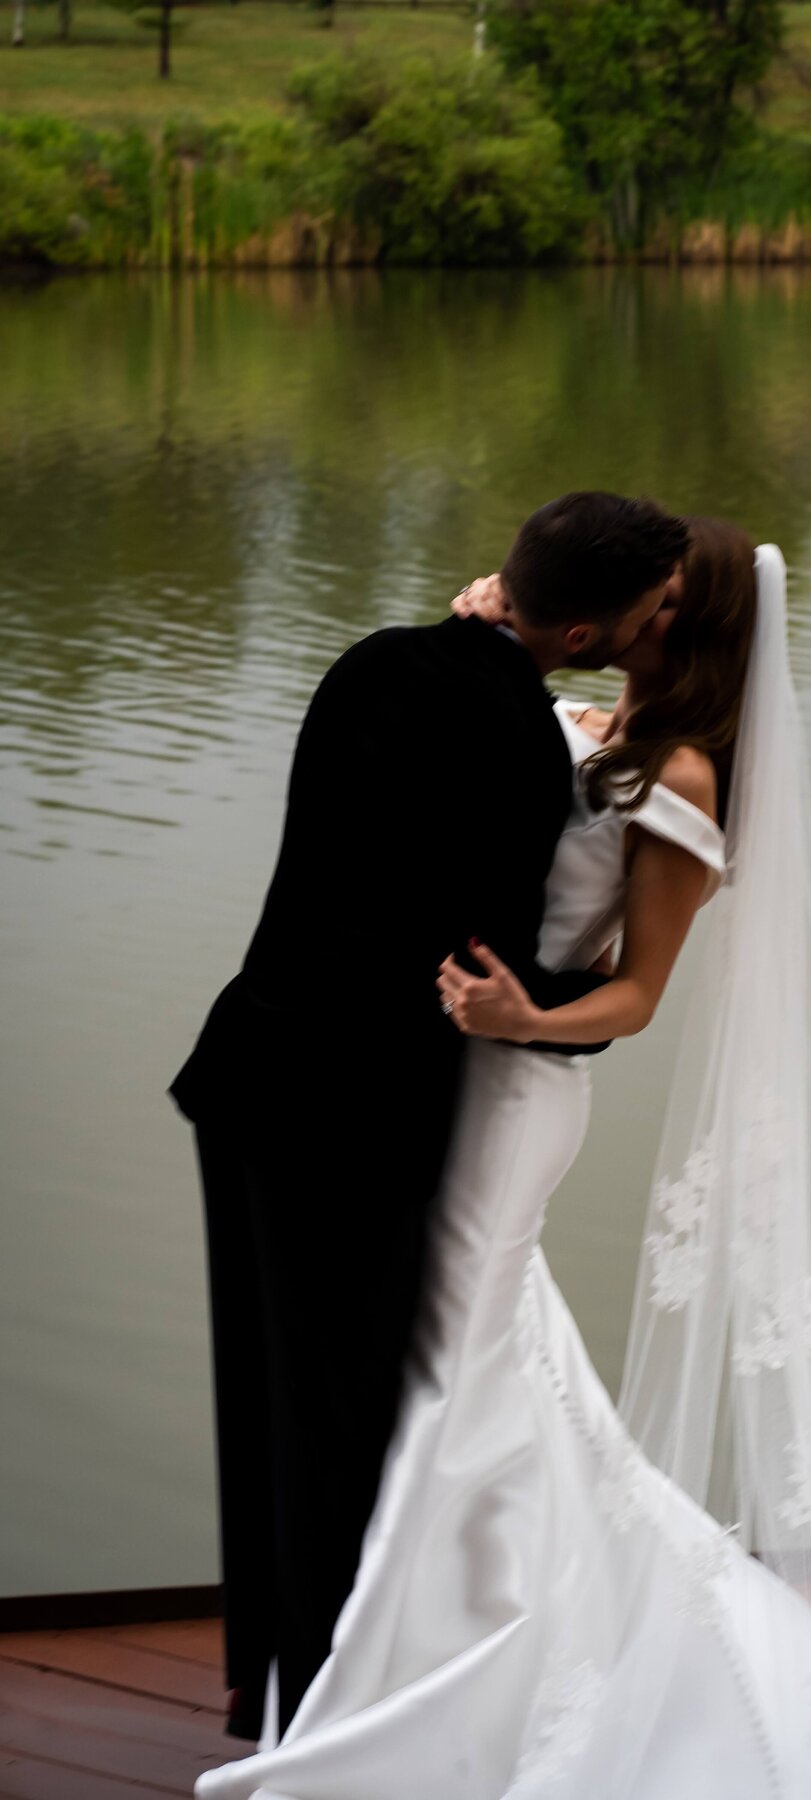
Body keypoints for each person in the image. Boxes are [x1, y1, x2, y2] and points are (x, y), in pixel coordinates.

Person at [195, 526, 811, 1798]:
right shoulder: (581, 717)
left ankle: (440, 1670)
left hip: (521, 1087)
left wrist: (526, 1021)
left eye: (662, 594)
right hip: (455, 1083)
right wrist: (488, 625)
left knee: (458, 1374)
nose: (639, 603)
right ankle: (434, 1652)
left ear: (680, 618)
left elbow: (639, 994)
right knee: (464, 1369)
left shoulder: (684, 776)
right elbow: (491, 737)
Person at [168, 492, 689, 1745]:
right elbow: (479, 966)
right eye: (651, 605)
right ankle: (336, 1701)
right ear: (579, 625)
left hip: (249, 1062)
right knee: (344, 1411)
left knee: (268, 1391)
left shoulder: (378, 659)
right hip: (358, 1115)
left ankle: (273, 1672)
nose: (665, 620)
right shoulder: (520, 747)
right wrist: (593, 1014)